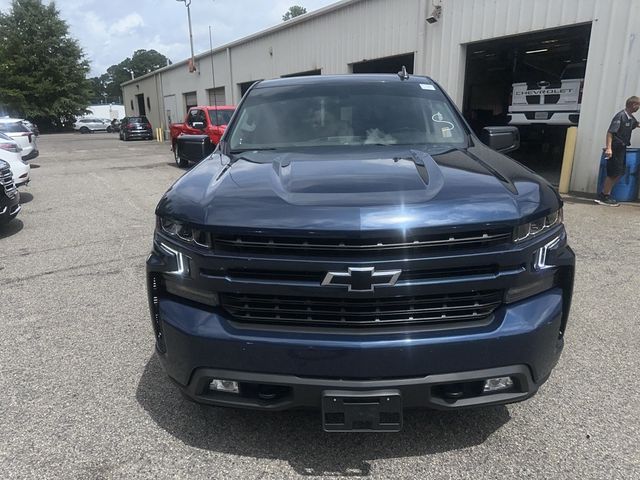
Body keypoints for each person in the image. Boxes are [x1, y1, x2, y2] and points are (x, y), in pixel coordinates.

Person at [596, 96, 640, 206]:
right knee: (613, 173)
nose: (639, 108)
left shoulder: (630, 118)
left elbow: (637, 124)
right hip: (615, 148)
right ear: (634, 105)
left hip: (622, 148)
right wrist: (609, 148)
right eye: (639, 105)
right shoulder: (620, 116)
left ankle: (605, 194)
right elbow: (610, 132)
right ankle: (604, 196)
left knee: (620, 172)